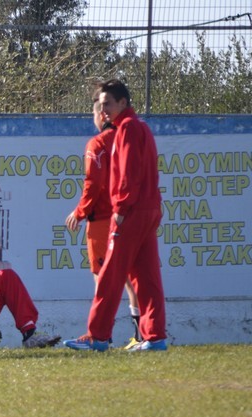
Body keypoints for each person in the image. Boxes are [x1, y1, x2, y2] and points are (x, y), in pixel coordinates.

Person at [65, 79, 168, 352]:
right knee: (147, 277)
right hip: (149, 209)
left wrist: (120, 210)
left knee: (109, 275)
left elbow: (127, 174)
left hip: (131, 212)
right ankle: (155, 337)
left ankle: (97, 336)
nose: (104, 110)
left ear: (123, 102)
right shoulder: (141, 127)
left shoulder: (127, 128)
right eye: (101, 105)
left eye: (108, 104)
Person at [64, 99, 142, 349]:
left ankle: (100, 336)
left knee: (102, 278)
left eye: (94, 113)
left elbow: (93, 183)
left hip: (102, 220)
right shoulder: (128, 139)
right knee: (131, 278)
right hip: (130, 216)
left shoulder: (97, 143)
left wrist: (80, 212)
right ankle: (141, 336)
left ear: (101, 115)